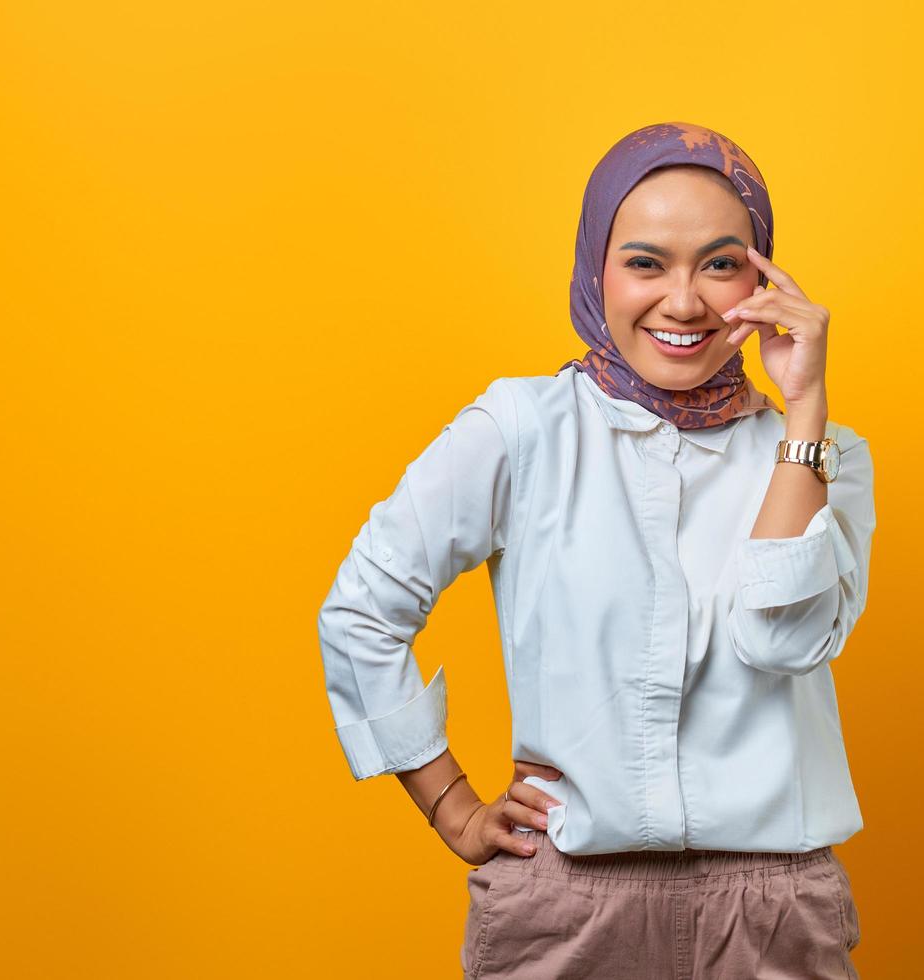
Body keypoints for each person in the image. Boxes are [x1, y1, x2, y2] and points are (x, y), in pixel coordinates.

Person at [317, 121, 873, 979]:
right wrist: (453, 809)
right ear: (596, 267)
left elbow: (780, 640)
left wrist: (804, 415)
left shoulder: (824, 456)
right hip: (566, 907)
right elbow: (360, 614)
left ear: (762, 277)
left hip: (772, 912)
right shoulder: (521, 430)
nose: (683, 302)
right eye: (646, 262)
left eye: (720, 263)